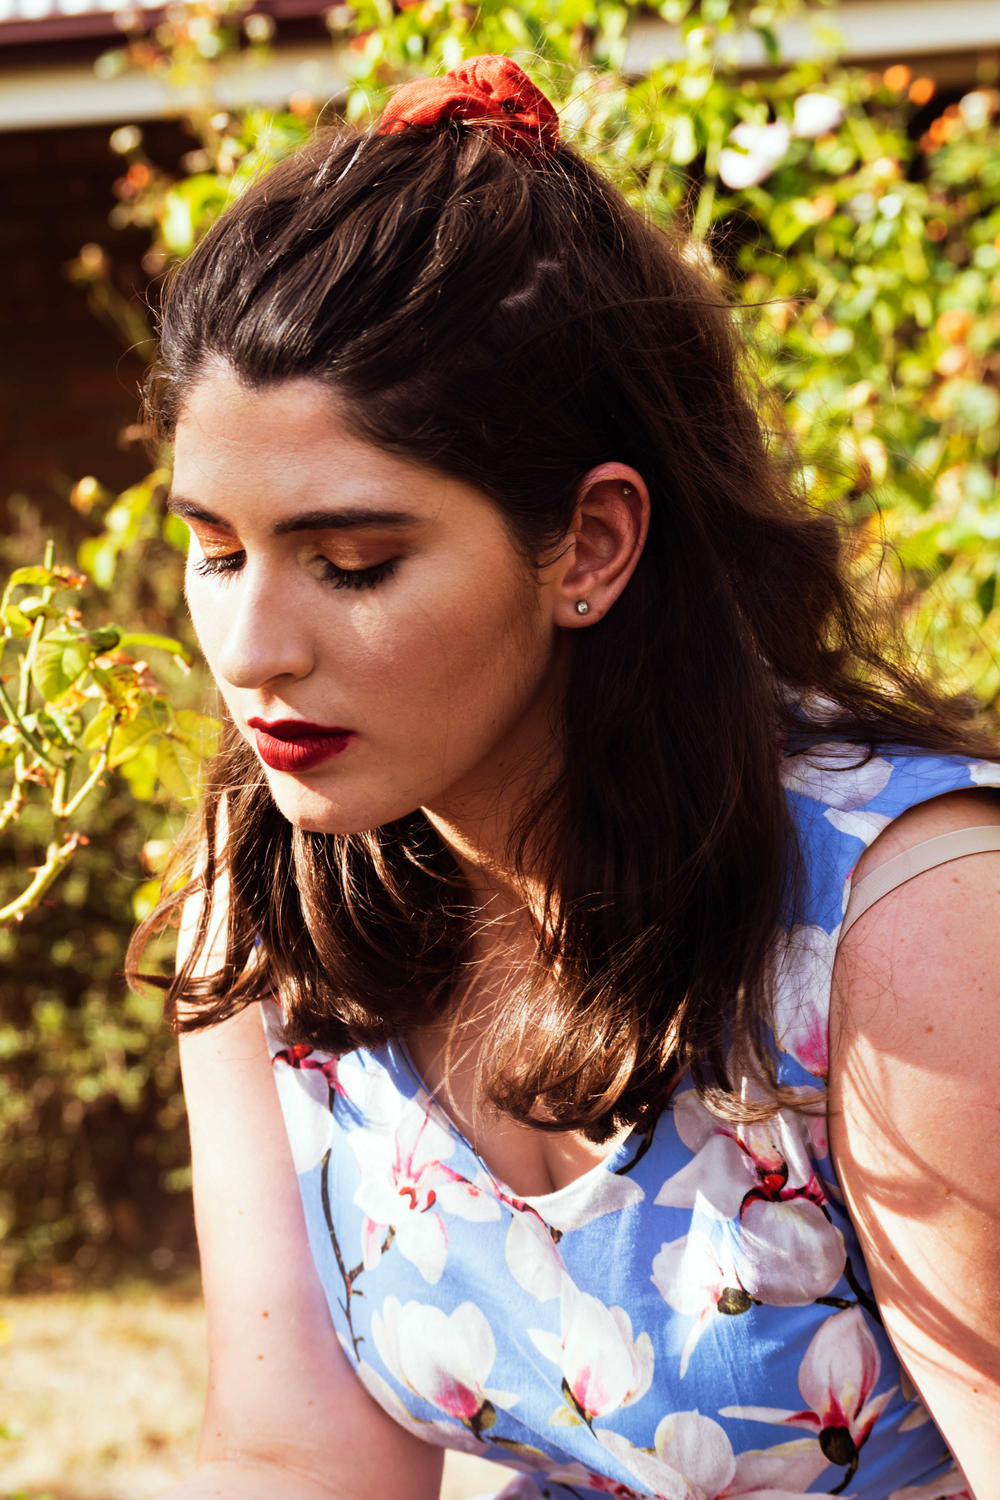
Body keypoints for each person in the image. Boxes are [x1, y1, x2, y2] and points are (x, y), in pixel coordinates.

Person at [131, 55, 1000, 1500]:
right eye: (216, 549)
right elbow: (294, 1460)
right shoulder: (275, 891)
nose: (251, 647)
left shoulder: (906, 932)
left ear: (589, 547)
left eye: (352, 563)